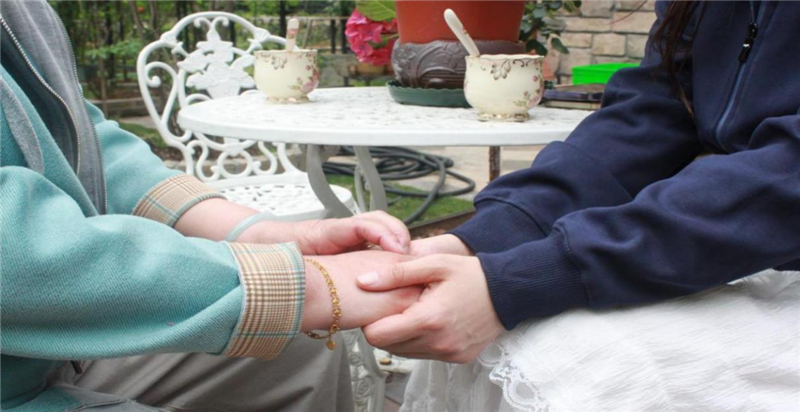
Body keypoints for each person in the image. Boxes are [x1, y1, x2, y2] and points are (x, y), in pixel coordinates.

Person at [357, 1, 800, 409]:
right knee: (464, 319)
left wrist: (528, 277)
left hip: (774, 254)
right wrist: (483, 239)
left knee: (575, 358)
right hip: (735, 243)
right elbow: (655, 109)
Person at [0, 1, 419, 411]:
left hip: (47, 357)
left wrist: (261, 234)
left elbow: (80, 139)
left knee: (296, 345)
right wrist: (302, 286)